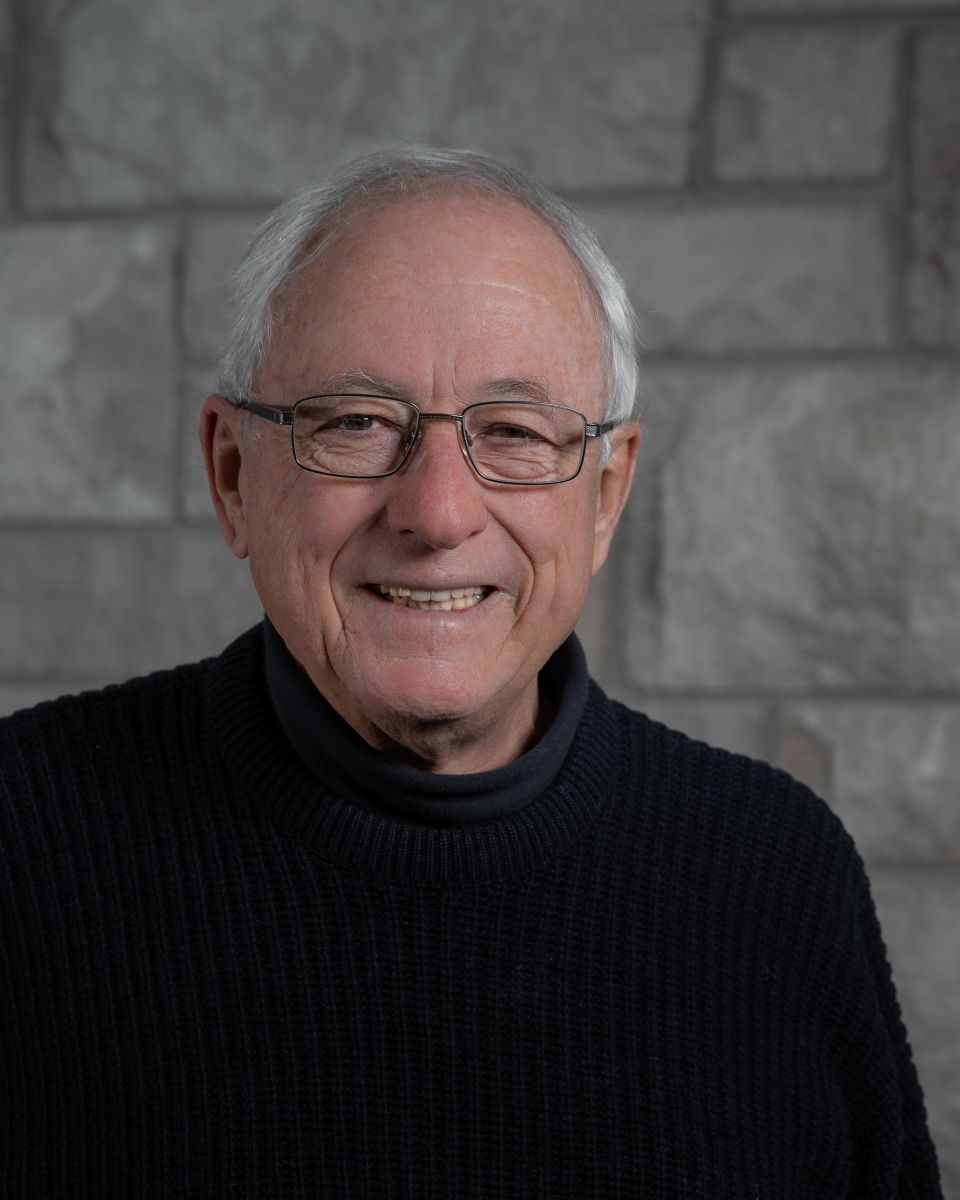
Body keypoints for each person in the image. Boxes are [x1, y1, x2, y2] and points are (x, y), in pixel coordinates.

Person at [0, 147, 942, 1198]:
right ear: (232, 476)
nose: (438, 513)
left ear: (605, 498)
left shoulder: (776, 875)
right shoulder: (20, 838)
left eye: (517, 432)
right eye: (356, 423)